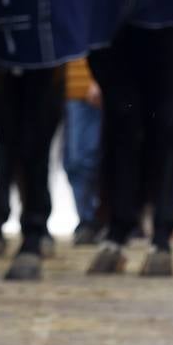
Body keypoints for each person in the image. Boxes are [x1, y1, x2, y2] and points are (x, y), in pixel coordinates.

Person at [62, 57, 102, 245]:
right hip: (64, 89)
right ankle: (86, 219)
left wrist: (98, 79)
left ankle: (91, 218)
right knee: (71, 162)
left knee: (83, 159)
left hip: (86, 90)